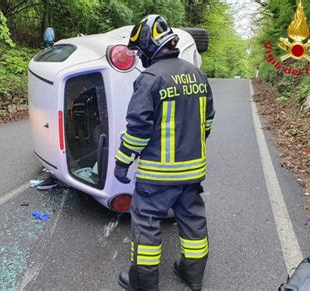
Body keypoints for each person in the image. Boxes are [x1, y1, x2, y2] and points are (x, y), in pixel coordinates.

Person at [114, 15, 215, 291]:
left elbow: (137, 130)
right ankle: (193, 276)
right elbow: (207, 121)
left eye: (140, 50)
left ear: (149, 46)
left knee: (146, 223)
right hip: (192, 171)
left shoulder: (150, 78)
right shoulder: (197, 74)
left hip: (157, 175)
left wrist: (122, 163)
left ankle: (143, 283)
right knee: (193, 221)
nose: (139, 56)